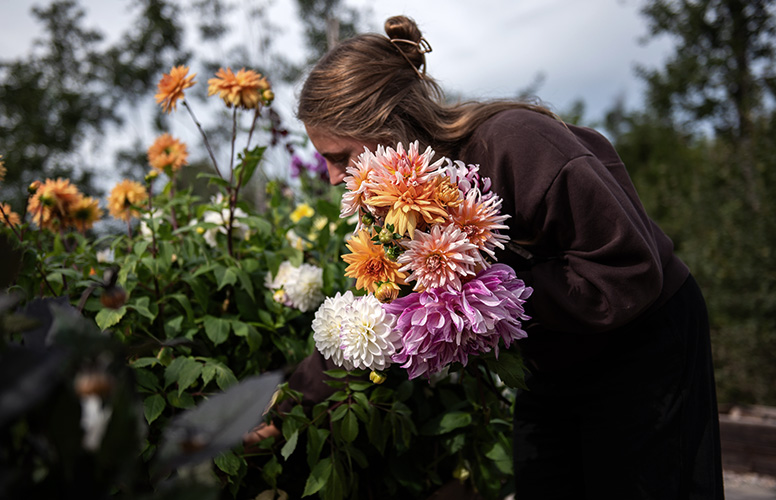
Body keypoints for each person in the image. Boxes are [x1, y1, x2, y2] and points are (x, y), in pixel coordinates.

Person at [253, 14, 725, 500]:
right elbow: (375, 314)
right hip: (552, 361)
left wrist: (482, 295)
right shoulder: (397, 208)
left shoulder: (516, 143)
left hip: (642, 344)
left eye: (340, 155)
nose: (332, 178)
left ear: (389, 126)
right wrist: (286, 412)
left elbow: (628, 270)